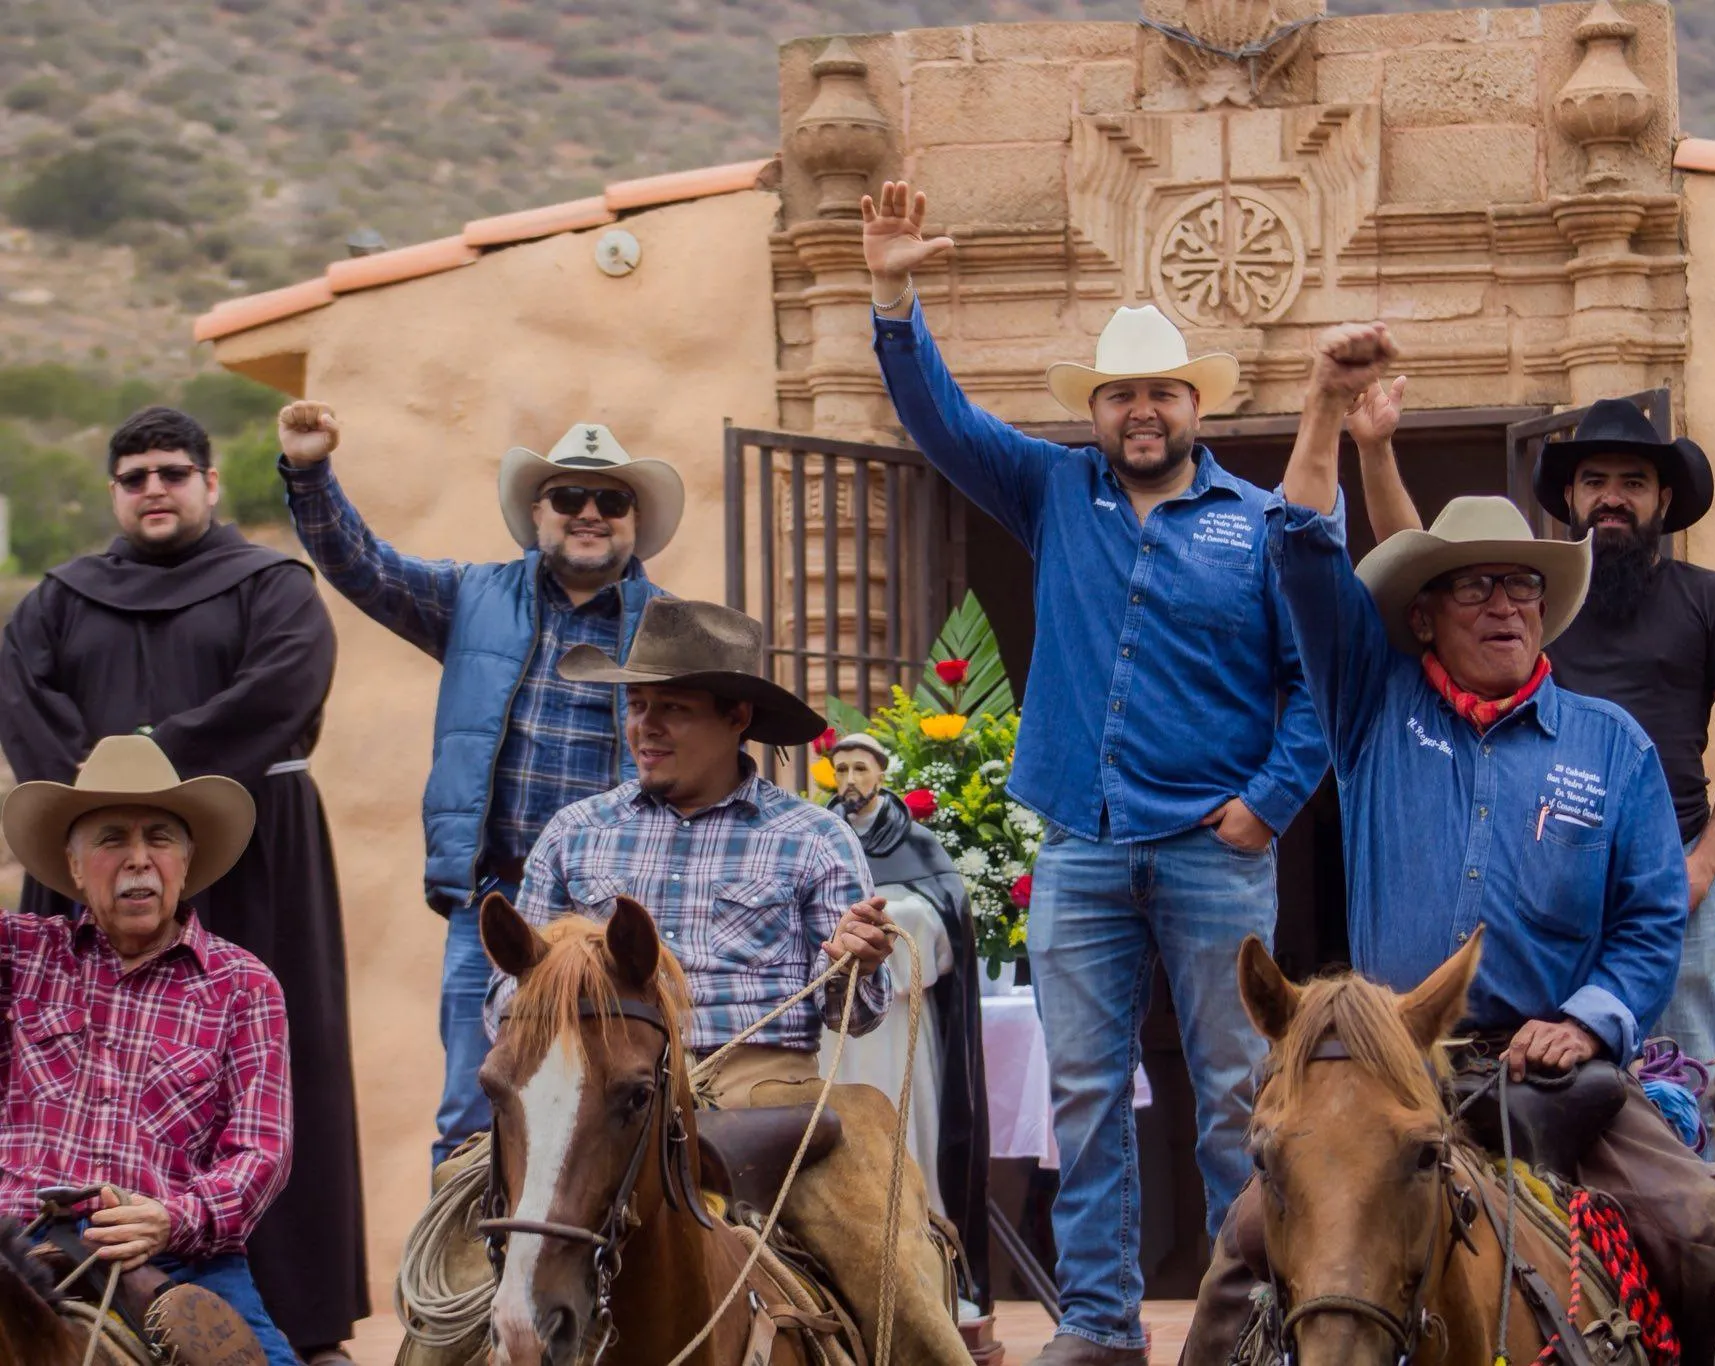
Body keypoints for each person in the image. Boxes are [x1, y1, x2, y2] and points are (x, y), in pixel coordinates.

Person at [1181, 325, 1715, 1364]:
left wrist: (1587, 1018)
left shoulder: (1609, 747)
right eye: (1474, 587)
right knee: (1239, 1257)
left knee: (1699, 1228)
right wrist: (1322, 405)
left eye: (1521, 586)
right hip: (1383, 1074)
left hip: (1552, 1073)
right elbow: (1298, 547)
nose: (1503, 604)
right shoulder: (1367, 703)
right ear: (1421, 617)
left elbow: (1653, 916)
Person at [863, 179, 1327, 1365]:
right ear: (1099, 408)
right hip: (1078, 845)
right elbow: (939, 419)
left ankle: (1242, 1321)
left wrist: (1265, 806)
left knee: (1235, 1098)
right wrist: (891, 293)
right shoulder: (1052, 489)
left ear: (1191, 405)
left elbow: (1321, 683)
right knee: (1084, 1098)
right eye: (1119, 393)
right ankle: (1100, 1322)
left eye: (1159, 392)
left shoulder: (1258, 522)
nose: (1138, 410)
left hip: (1213, 855)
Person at [491, 597, 971, 1366]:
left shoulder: (813, 839)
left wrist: (854, 959)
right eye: (637, 705)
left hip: (763, 1095)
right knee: (448, 1239)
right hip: (599, 1096)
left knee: (885, 1259)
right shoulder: (573, 834)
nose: (644, 726)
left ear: (737, 716)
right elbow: (506, 1005)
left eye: (672, 709)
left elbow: (858, 1013)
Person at [0, 404, 366, 1358]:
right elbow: (21, 702)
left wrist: (157, 761)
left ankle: (293, 1316)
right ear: (114, 494)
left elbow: (287, 684)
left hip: (259, 855)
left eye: (172, 471)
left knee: (272, 1081)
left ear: (209, 484)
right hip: (95, 851)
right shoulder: (55, 602)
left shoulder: (274, 587)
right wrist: (110, 810)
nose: (153, 488)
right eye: (134, 476)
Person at [274, 403, 680, 1167]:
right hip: (494, 911)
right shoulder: (472, 598)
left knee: (634, 1103)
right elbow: (364, 565)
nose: (589, 513)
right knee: (473, 1105)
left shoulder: (672, 628)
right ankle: (461, 1287)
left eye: (612, 500)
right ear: (537, 513)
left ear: (634, 519)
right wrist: (309, 471)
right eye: (568, 497)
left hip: (623, 916)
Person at [1347, 377, 1715, 1067]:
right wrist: (1375, 451)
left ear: (1663, 500)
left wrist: (1702, 866)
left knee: (1688, 1089)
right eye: (1595, 481)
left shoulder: (1713, 601)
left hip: (1676, 874)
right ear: (1572, 499)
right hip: (1550, 864)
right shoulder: (1510, 608)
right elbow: (1419, 557)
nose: (1613, 496)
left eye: (1634, 482)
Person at [0, 735, 296, 1366]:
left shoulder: (243, 984)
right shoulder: (21, 955)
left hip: (176, 1258)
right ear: (75, 867)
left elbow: (260, 1153)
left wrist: (172, 1219)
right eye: (112, 839)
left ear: (185, 863)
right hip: (16, 1242)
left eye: (159, 838)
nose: (139, 859)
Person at [824, 730, 991, 1302]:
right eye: (840, 768)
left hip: (902, 1026)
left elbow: (946, 916)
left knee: (906, 1129)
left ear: (882, 772)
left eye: (860, 769)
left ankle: (926, 1264)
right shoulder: (821, 837)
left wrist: (890, 919)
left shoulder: (916, 843)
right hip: (833, 1032)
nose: (850, 780)